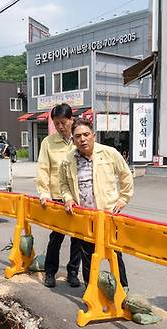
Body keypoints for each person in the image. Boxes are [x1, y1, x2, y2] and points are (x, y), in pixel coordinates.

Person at [59, 118, 133, 288]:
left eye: (86, 134)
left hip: (108, 214)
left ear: (93, 135)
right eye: (78, 136)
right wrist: (68, 198)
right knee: (88, 256)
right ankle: (90, 290)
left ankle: (123, 292)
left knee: (115, 254)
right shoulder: (69, 159)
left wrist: (123, 198)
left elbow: (126, 175)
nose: (82, 139)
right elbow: (63, 184)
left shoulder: (109, 153)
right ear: (73, 138)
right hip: (85, 217)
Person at [36, 103, 82, 288]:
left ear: (71, 120)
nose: (61, 127)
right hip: (56, 195)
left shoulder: (79, 139)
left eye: (63, 122)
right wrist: (44, 193)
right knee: (57, 236)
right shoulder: (48, 142)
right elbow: (43, 169)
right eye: (57, 123)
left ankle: (73, 272)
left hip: (77, 196)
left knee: (78, 237)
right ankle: (50, 272)